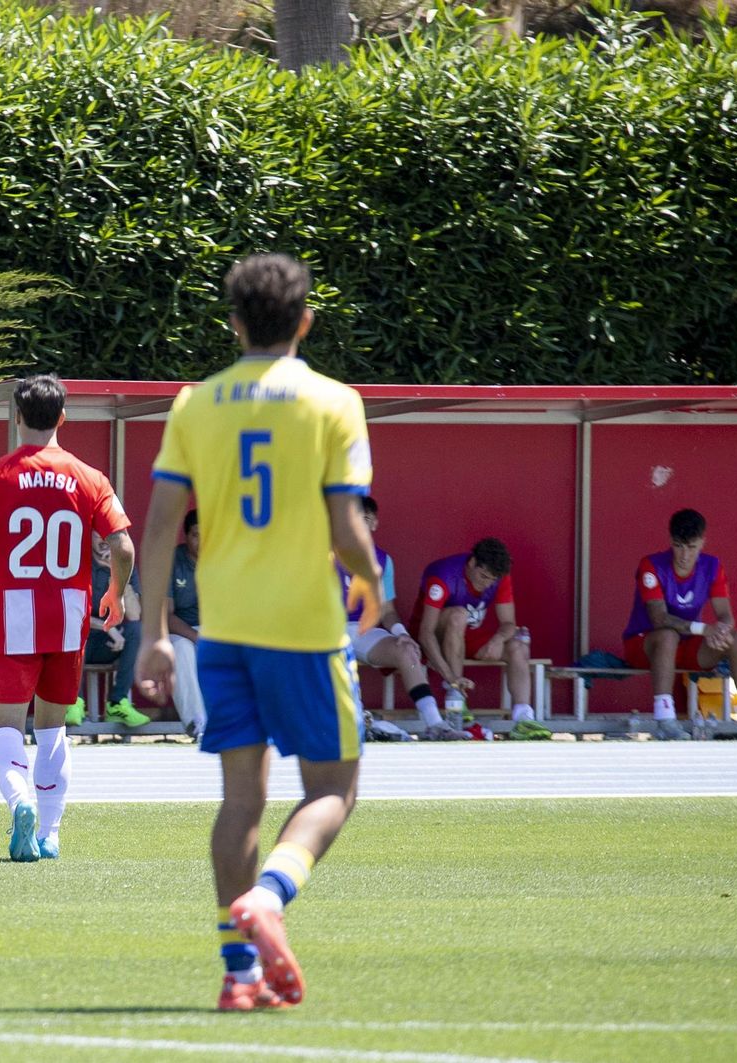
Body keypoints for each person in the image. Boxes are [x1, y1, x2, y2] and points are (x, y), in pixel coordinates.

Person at [136, 253, 383, 1012]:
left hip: (225, 631)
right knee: (333, 788)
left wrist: (153, 634)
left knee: (240, 799)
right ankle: (270, 895)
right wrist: (372, 581)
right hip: (305, 628)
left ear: (235, 323)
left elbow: (160, 526)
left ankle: (238, 973)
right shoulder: (335, 402)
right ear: (305, 321)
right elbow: (346, 526)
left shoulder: (195, 404)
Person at [0, 374, 135, 862]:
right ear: (62, 418)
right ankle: (50, 833)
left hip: (14, 615)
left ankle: (21, 803)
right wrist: (115, 593)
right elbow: (122, 546)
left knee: (7, 727)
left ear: (16, 417)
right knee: (54, 731)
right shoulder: (89, 476)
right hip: (68, 615)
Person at [622, 508, 737, 741]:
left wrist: (721, 631)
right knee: (668, 635)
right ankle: (665, 721)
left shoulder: (712, 566)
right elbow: (659, 619)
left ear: (702, 542)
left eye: (691, 547)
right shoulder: (651, 565)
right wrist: (704, 629)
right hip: (645, 646)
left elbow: (726, 616)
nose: (684, 555)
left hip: (686, 646)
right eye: (678, 546)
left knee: (736, 639)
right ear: (670, 541)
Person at [333, 497, 464, 740]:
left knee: (407, 651)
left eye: (366, 519)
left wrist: (402, 635)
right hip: (330, 631)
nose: (361, 524)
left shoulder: (382, 560)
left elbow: (387, 610)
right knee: (336, 653)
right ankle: (354, 721)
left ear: (374, 523)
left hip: (364, 631)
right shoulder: (327, 553)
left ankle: (435, 724)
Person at [411, 538, 540, 732]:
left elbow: (508, 623)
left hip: (465, 635)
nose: (487, 584)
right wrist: (451, 678)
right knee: (458, 615)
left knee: (518, 646)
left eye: (492, 580)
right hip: (431, 638)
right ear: (472, 563)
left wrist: (497, 640)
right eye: (483, 576)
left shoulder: (498, 575)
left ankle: (524, 718)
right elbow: (425, 633)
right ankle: (457, 697)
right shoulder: (443, 575)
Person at [67, 532, 150, 728]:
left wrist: (118, 574)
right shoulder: (76, 561)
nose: (105, 540)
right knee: (74, 630)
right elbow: (70, 612)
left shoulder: (123, 562)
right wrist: (107, 628)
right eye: (98, 534)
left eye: (109, 535)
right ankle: (73, 702)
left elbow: (135, 614)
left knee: (135, 630)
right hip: (77, 642)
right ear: (88, 536)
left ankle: (117, 703)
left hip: (109, 645)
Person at [165, 510, 208, 738]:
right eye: (195, 535)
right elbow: (166, 616)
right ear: (186, 536)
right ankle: (197, 722)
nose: (201, 541)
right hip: (181, 630)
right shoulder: (174, 560)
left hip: (216, 630)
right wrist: (197, 638)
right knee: (182, 649)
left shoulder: (222, 558)